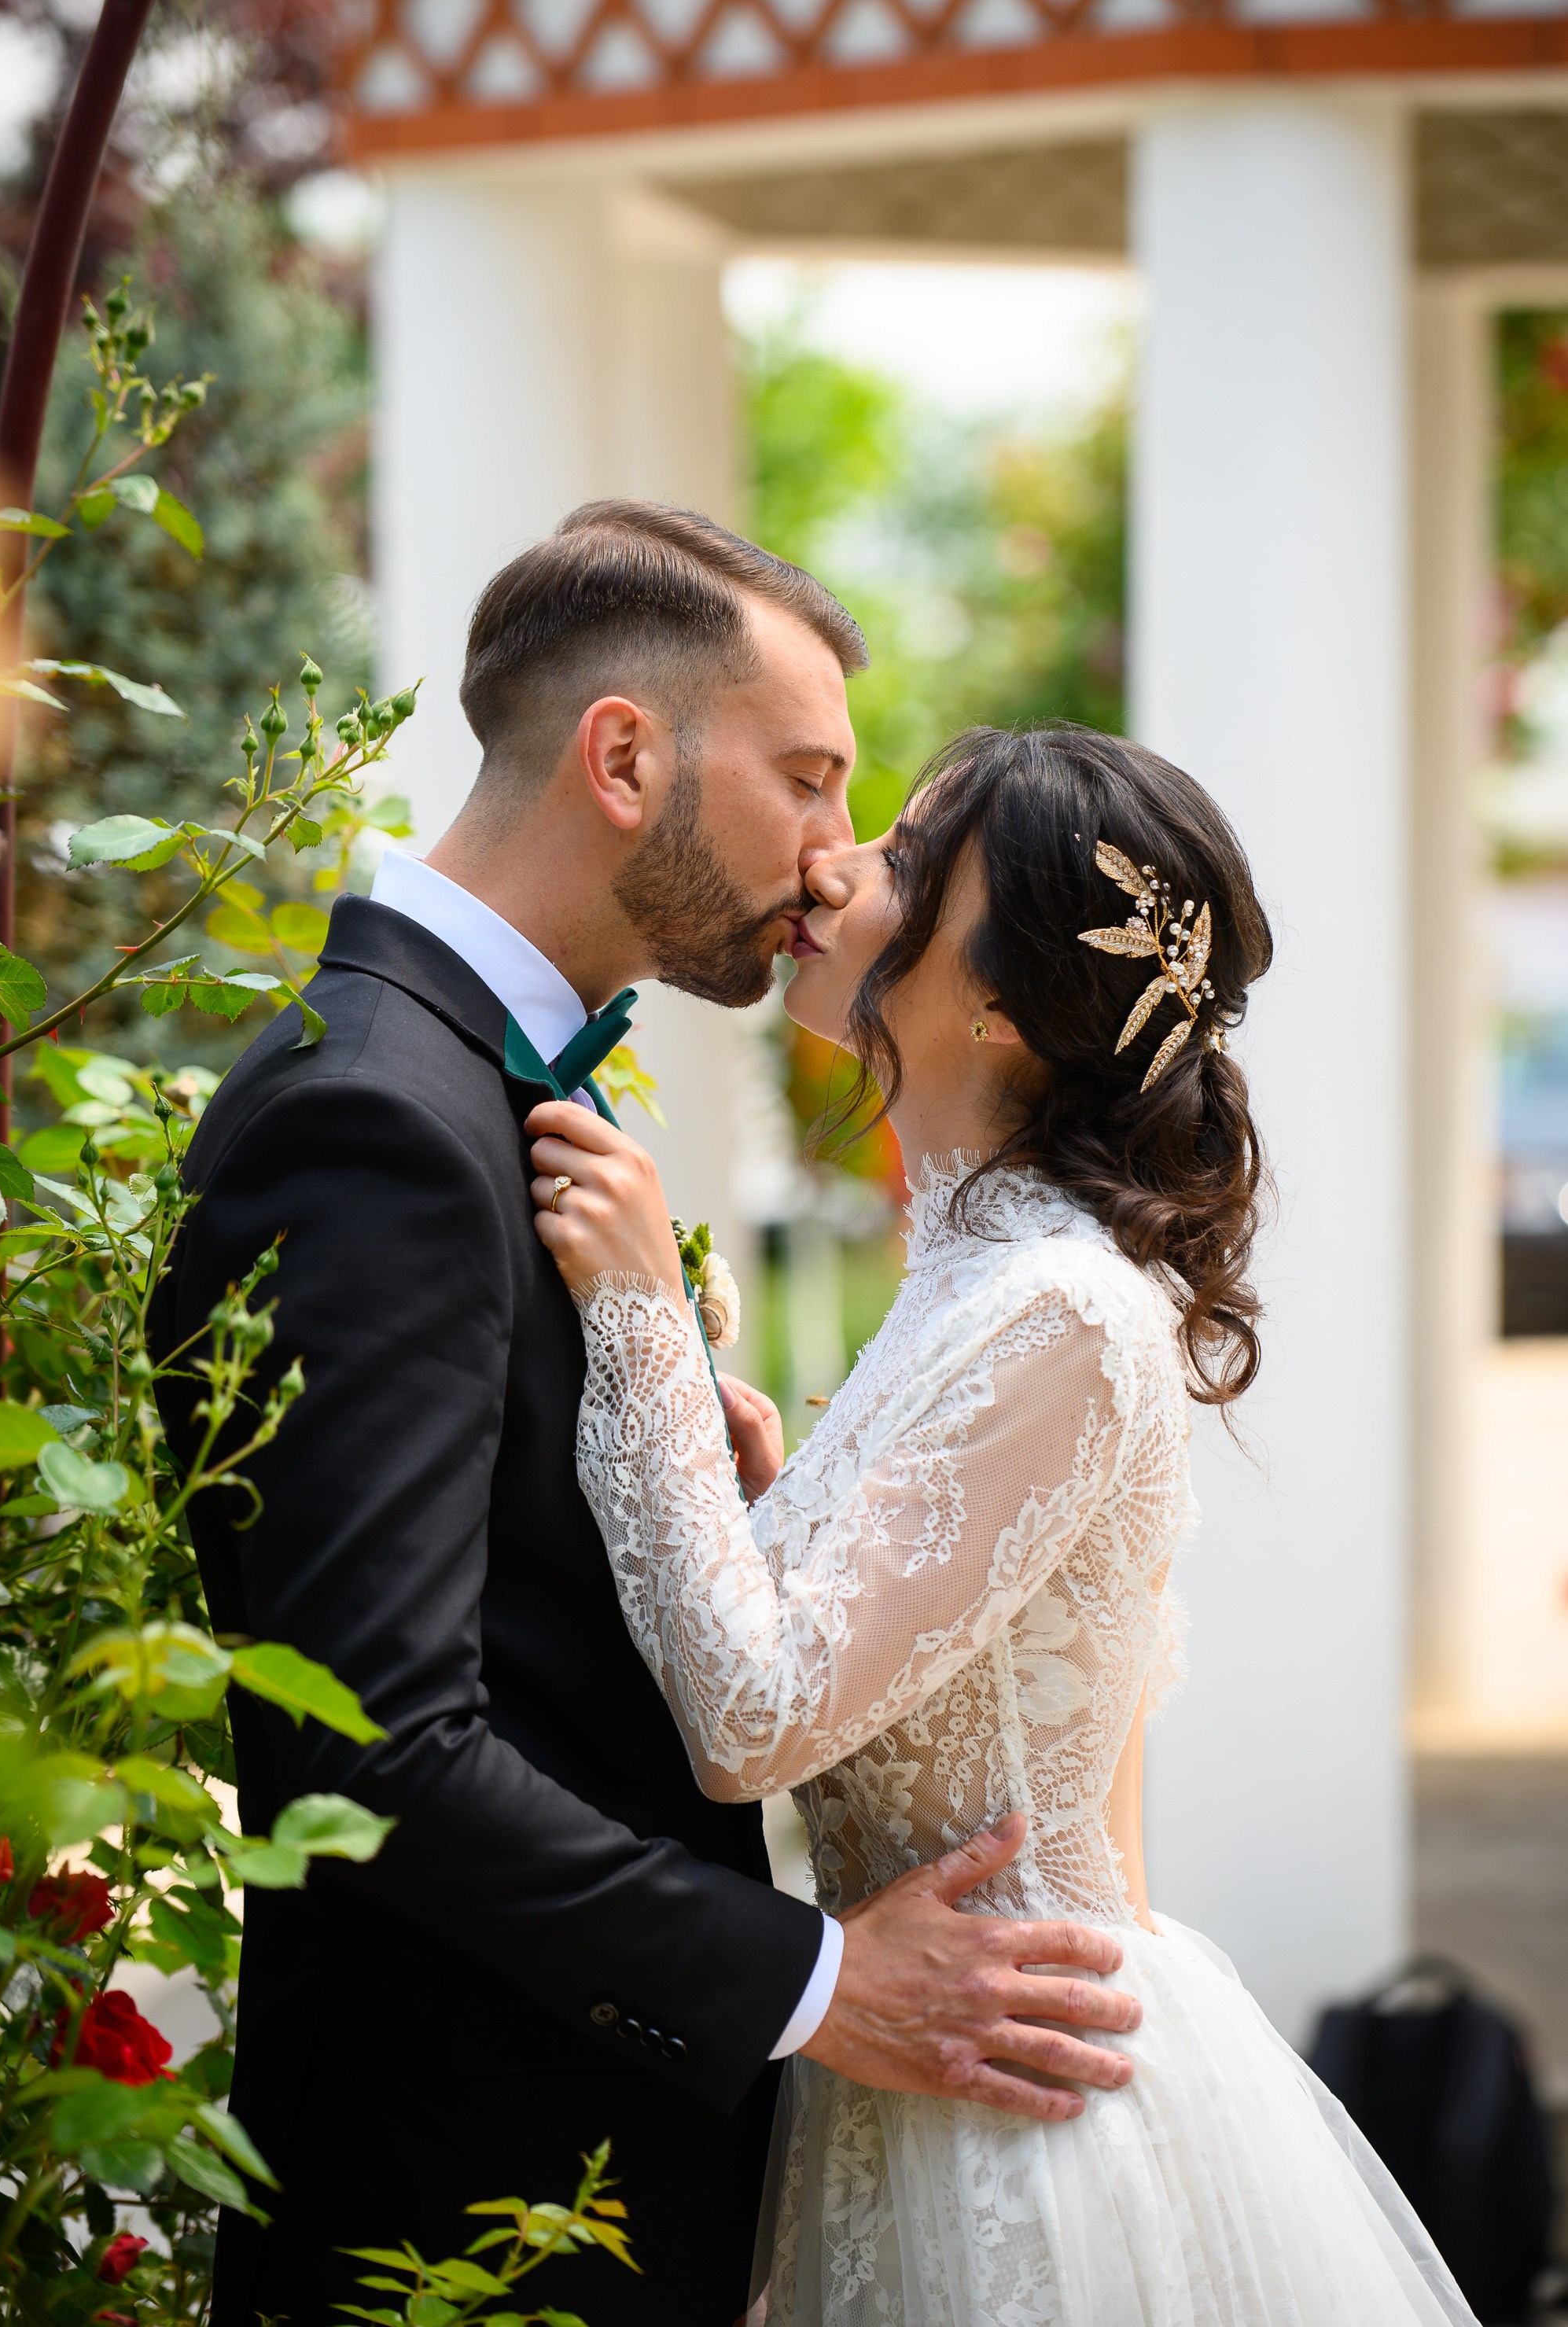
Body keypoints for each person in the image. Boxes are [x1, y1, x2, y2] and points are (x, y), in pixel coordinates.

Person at [149, 506, 1142, 2327]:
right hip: (459, 2201)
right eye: (808, 780)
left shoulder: (484, 1097)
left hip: (595, 2182)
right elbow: (368, 1751)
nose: (838, 861)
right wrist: (813, 1984)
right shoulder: (373, 1120)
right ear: (624, 757)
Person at [526, 724, 1482, 2325]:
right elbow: (886, 1663)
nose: (833, 865)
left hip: (1011, 2107)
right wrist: (740, 1485)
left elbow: (752, 1721)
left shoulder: (1055, 1309)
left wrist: (632, 1326)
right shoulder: (974, 1276)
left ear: (1000, 1001)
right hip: (914, 2055)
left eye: (903, 858)